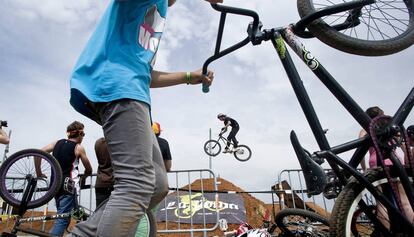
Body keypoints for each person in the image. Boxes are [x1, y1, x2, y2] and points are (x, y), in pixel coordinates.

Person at [67, 0, 222, 236]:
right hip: (118, 85)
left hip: (135, 90)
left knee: (157, 185)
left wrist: (191, 76)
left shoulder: (158, 12)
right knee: (137, 184)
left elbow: (145, 73)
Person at [40, 121, 92, 236]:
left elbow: (39, 152)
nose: (83, 137)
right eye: (83, 135)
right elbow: (89, 169)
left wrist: (39, 172)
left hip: (54, 186)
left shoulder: (56, 143)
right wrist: (83, 179)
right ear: (79, 134)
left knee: (64, 216)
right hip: (68, 187)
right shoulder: (78, 148)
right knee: (62, 219)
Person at [358, 106, 385, 171]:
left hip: (375, 162)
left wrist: (364, 169)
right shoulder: (390, 128)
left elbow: (360, 153)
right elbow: (405, 148)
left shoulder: (364, 131)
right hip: (396, 162)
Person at [94, 137, 115, 207]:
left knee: (100, 212)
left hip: (100, 183)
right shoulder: (116, 144)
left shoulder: (98, 143)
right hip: (115, 182)